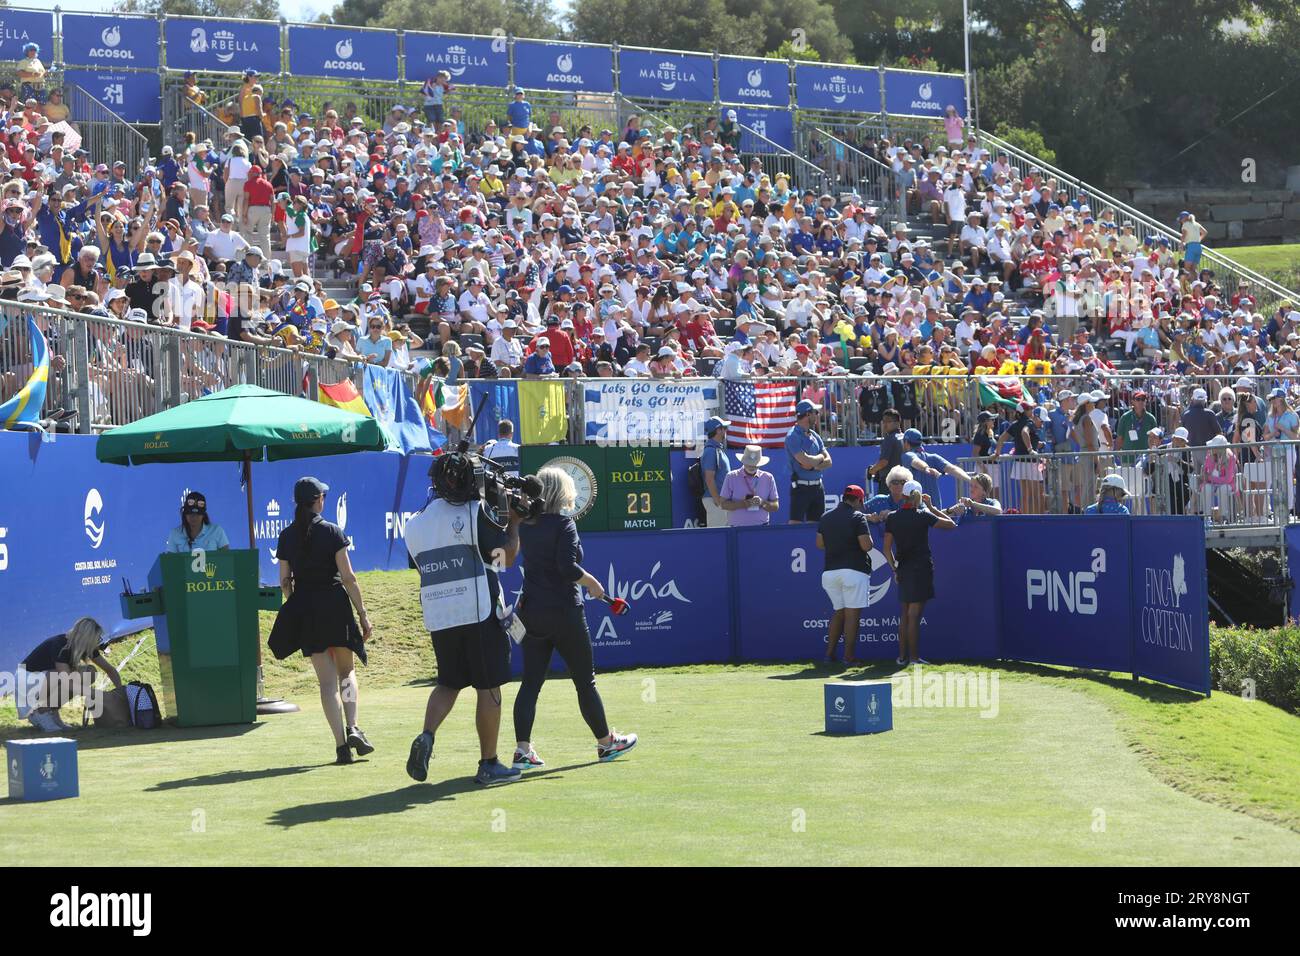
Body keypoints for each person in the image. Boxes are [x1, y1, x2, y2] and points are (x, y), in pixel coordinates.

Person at [403, 453, 524, 786]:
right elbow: (504, 559)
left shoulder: (414, 523)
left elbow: (419, 565)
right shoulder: (475, 513)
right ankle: (489, 763)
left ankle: (426, 735)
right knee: (489, 687)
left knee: (448, 683)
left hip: (440, 615)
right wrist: (513, 522)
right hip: (479, 612)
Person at [510, 467, 639, 770]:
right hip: (564, 611)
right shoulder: (564, 525)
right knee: (585, 682)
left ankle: (522, 750)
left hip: (531, 612)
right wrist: (593, 583)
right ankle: (607, 743)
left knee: (530, 684)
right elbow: (566, 567)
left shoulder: (526, 524)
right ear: (562, 493)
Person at [268, 477, 374, 765]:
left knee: (326, 684)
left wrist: (297, 603)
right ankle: (353, 726)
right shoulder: (332, 531)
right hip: (335, 605)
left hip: (307, 607)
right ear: (318, 500)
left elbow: (284, 582)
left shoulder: (287, 536)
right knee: (347, 673)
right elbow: (349, 578)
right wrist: (363, 613)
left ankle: (341, 747)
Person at [883, 481, 957, 666]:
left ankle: (902, 658)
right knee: (914, 615)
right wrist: (932, 507)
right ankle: (914, 659)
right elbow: (952, 524)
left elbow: (886, 549)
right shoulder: (923, 515)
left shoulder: (892, 517)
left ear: (904, 496)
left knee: (905, 614)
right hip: (921, 569)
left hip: (904, 569)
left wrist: (895, 569)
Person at [17, 617, 122, 731]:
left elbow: (109, 669)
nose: (98, 641)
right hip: (26, 683)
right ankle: (41, 711)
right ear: (87, 638)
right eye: (96, 638)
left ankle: (50, 710)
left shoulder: (86, 646)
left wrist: (121, 692)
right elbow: (67, 683)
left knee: (89, 672)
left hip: (43, 679)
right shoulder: (60, 644)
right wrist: (97, 694)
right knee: (66, 677)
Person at [816, 484, 873, 665]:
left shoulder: (826, 517)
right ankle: (849, 657)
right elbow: (866, 546)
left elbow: (820, 544)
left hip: (830, 574)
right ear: (858, 500)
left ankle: (829, 654)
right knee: (852, 615)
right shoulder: (857, 517)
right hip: (853, 572)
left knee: (839, 613)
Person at [785, 399, 832, 523]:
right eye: (815, 412)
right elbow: (805, 461)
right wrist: (820, 458)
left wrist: (814, 465)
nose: (817, 415)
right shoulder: (792, 437)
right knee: (795, 526)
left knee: (817, 528)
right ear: (807, 414)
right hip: (800, 488)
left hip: (818, 488)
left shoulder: (815, 436)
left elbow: (829, 461)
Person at [719, 444, 780, 526]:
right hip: (737, 528)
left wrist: (762, 503)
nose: (752, 466)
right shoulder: (731, 477)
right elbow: (723, 504)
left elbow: (775, 506)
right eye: (749, 463)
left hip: (762, 527)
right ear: (743, 461)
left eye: (755, 464)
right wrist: (743, 504)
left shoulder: (768, 477)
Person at [164, 490, 231, 553]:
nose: (194, 517)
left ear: (203, 515)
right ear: (185, 514)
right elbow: (170, 563)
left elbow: (227, 559)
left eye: (198, 514)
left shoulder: (217, 531)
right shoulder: (175, 534)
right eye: (191, 514)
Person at [699, 415, 732, 528]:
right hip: (715, 500)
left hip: (720, 500)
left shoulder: (716, 449)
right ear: (718, 430)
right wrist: (718, 500)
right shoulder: (710, 451)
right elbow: (709, 478)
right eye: (724, 428)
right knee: (718, 539)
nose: (726, 431)